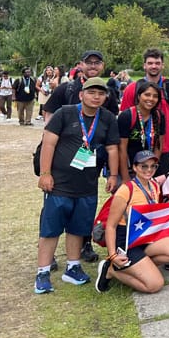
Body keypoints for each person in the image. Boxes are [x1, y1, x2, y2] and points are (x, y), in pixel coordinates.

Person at [35, 77, 119, 294]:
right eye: (92, 92)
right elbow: (49, 142)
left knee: (78, 227)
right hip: (59, 184)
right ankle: (43, 272)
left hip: (87, 185)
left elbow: (112, 149)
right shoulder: (65, 113)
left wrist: (113, 175)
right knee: (51, 228)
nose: (96, 96)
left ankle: (73, 267)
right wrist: (45, 173)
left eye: (101, 93)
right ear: (82, 95)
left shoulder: (108, 118)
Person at [43, 50, 119, 263]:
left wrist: (112, 172)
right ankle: (49, 258)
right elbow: (49, 116)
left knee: (83, 212)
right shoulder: (66, 88)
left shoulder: (107, 93)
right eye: (89, 62)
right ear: (81, 64)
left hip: (90, 165)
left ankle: (82, 249)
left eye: (97, 62)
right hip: (62, 165)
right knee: (55, 213)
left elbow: (110, 134)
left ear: (103, 66)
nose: (93, 65)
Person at [94, 151, 169, 293]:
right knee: (155, 285)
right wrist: (113, 255)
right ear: (135, 168)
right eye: (144, 166)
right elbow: (111, 226)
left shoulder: (154, 186)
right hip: (126, 241)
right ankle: (111, 270)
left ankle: (138, 267)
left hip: (145, 236)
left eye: (153, 166)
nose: (149, 170)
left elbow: (155, 215)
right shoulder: (126, 190)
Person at [117, 80, 166, 182]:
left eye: (155, 96)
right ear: (139, 96)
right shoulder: (127, 116)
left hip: (148, 170)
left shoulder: (159, 116)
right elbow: (122, 149)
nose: (151, 99)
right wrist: (125, 177)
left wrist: (152, 169)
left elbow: (159, 145)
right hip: (129, 169)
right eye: (147, 95)